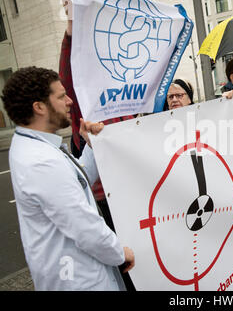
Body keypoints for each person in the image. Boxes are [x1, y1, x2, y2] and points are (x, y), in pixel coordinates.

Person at [1, 67, 135, 290]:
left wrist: (91, 144)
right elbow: (83, 225)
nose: (70, 101)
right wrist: (119, 252)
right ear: (40, 107)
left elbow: (79, 180)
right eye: (62, 96)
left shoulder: (35, 146)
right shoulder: (41, 160)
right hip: (80, 281)